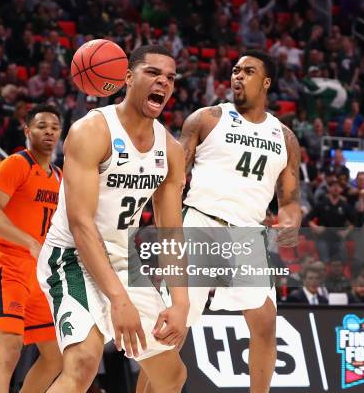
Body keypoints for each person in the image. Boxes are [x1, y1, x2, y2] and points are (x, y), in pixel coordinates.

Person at [37, 45, 188, 393]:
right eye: (153, 73)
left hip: (121, 260)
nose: (163, 82)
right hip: (72, 257)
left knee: (172, 375)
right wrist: (119, 300)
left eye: (170, 77)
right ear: (128, 77)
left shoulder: (171, 150)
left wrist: (180, 303)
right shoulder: (92, 130)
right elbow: (81, 225)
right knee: (84, 361)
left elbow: (171, 234)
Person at [179, 50, 302, 393]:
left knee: (264, 322)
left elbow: (290, 200)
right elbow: (174, 174)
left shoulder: (285, 137)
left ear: (265, 82)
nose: (238, 76)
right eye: (235, 70)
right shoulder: (207, 118)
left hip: (247, 233)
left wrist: (290, 221)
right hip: (201, 223)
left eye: (248, 71)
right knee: (176, 325)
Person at [0, 104, 63, 392]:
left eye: (54, 126)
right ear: (28, 131)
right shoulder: (16, 164)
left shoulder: (59, 176)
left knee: (56, 357)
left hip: (41, 273)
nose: (48, 131)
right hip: (8, 265)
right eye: (41, 126)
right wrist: (29, 242)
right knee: (10, 349)